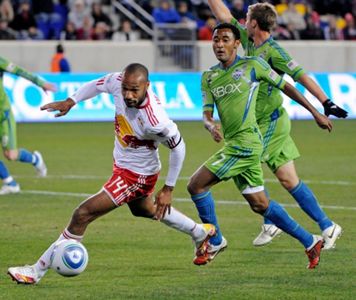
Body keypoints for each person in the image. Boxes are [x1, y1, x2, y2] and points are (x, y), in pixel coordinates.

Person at [8, 63, 216, 284]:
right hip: (123, 165)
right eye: (125, 88)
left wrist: (169, 187)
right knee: (143, 210)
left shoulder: (155, 119)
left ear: (147, 86)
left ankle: (35, 271)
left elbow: (179, 147)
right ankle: (199, 232)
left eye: (134, 90)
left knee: (83, 214)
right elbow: (97, 85)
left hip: (136, 175)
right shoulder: (118, 82)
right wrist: (71, 101)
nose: (128, 95)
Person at [187, 22, 333, 269]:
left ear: (236, 43)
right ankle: (310, 241)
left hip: (246, 143)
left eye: (225, 39)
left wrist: (316, 111)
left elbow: (286, 87)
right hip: (234, 142)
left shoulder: (252, 65)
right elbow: (206, 113)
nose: (219, 45)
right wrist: (211, 125)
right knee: (260, 205)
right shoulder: (209, 76)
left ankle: (215, 241)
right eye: (215, 40)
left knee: (196, 185)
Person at [206, 0, 345, 249]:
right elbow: (223, 13)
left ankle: (271, 222)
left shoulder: (274, 52)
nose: (242, 21)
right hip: (257, 121)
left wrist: (325, 102)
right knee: (289, 180)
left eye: (247, 18)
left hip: (269, 122)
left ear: (254, 23)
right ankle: (327, 226)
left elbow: (300, 76)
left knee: (245, 161)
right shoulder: (244, 40)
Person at [0, 56, 56, 195]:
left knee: (11, 155)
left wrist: (40, 82)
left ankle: (35, 159)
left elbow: (19, 71)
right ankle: (10, 183)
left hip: (3, 115)